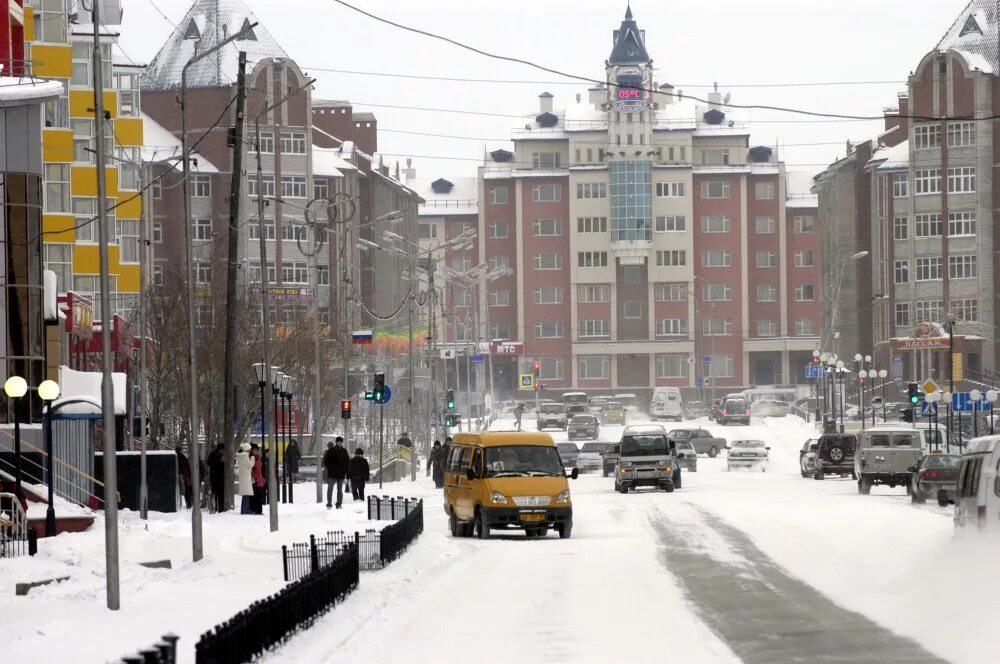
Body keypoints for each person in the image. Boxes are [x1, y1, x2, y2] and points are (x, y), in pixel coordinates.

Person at [323, 436, 350, 509]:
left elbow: (347, 462)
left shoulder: (344, 451)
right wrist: (331, 469)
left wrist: (345, 471)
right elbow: (326, 461)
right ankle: (329, 504)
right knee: (330, 489)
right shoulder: (331, 450)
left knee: (340, 490)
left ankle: (339, 504)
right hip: (332, 473)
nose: (340, 443)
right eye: (338, 441)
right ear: (336, 442)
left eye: (341, 441)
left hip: (341, 473)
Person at [206, 443, 226, 513]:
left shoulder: (212, 454)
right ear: (221, 449)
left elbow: (208, 463)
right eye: (223, 450)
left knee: (215, 493)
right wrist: (221, 461)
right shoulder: (220, 456)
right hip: (219, 478)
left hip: (213, 477)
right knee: (220, 494)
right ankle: (219, 508)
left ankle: (215, 508)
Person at [237, 443, 255, 515]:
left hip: (243, 477)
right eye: (250, 449)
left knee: (245, 495)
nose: (250, 450)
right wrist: (252, 458)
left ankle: (243, 510)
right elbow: (251, 465)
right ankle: (246, 510)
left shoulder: (241, 456)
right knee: (246, 495)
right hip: (246, 477)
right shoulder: (245, 456)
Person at [250, 443, 265, 514]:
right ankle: (255, 510)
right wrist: (255, 478)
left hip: (259, 481)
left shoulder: (259, 459)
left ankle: (259, 510)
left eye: (256, 450)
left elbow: (260, 471)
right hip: (254, 481)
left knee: (259, 496)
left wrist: (262, 479)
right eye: (254, 450)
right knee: (255, 496)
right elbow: (251, 470)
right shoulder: (251, 459)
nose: (255, 451)